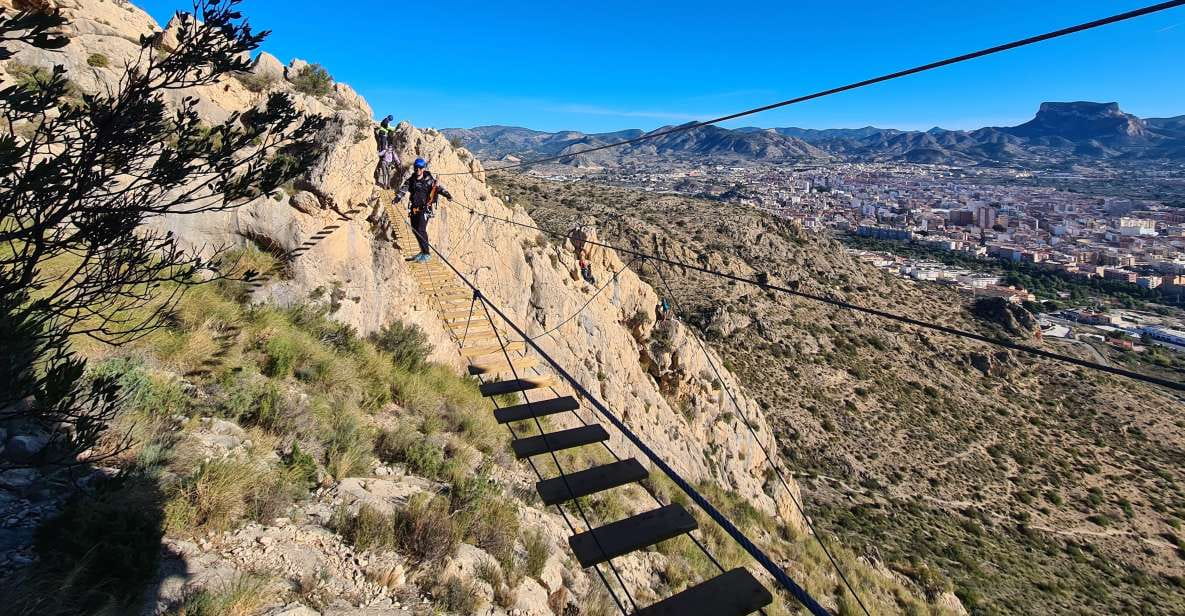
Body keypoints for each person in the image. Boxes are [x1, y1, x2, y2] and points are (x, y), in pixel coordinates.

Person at [397, 158, 452, 263]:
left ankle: (426, 254)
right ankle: (422, 251)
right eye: (416, 168)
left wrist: (447, 195)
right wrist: (397, 197)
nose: (417, 170)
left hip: (425, 209)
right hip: (414, 208)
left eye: (420, 168)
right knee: (415, 230)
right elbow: (404, 188)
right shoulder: (411, 180)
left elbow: (438, 189)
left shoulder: (428, 180)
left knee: (421, 229)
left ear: (423, 169)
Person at [374, 115, 400, 188]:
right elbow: (388, 128)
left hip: (387, 163)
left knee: (387, 174)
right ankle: (386, 185)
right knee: (386, 174)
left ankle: (387, 185)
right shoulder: (386, 121)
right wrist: (395, 129)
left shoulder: (385, 121)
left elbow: (395, 157)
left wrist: (398, 162)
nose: (390, 147)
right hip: (383, 135)